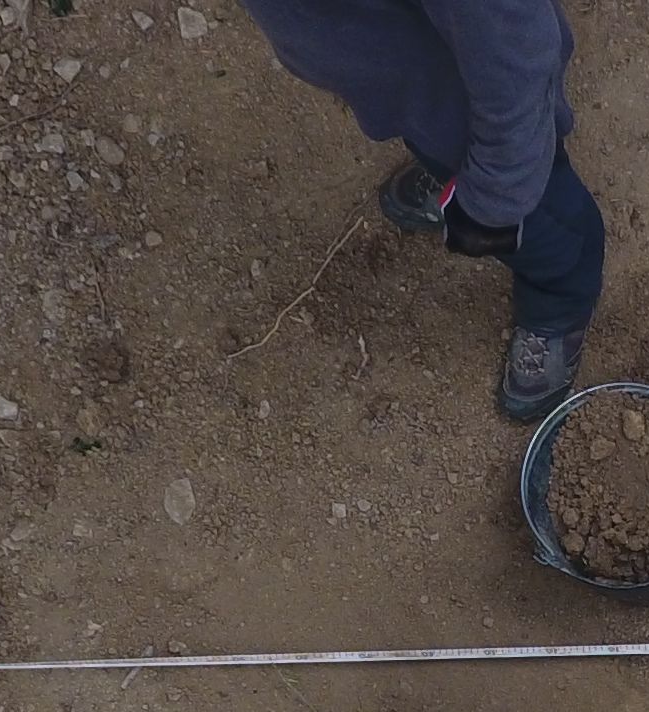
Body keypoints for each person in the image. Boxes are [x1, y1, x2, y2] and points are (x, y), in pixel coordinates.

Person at [229, 0, 603, 421]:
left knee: (543, 224)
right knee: (436, 141)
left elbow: (514, 47)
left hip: (479, 104)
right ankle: (454, 175)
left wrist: (494, 194)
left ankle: (562, 305)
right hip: (406, 80)